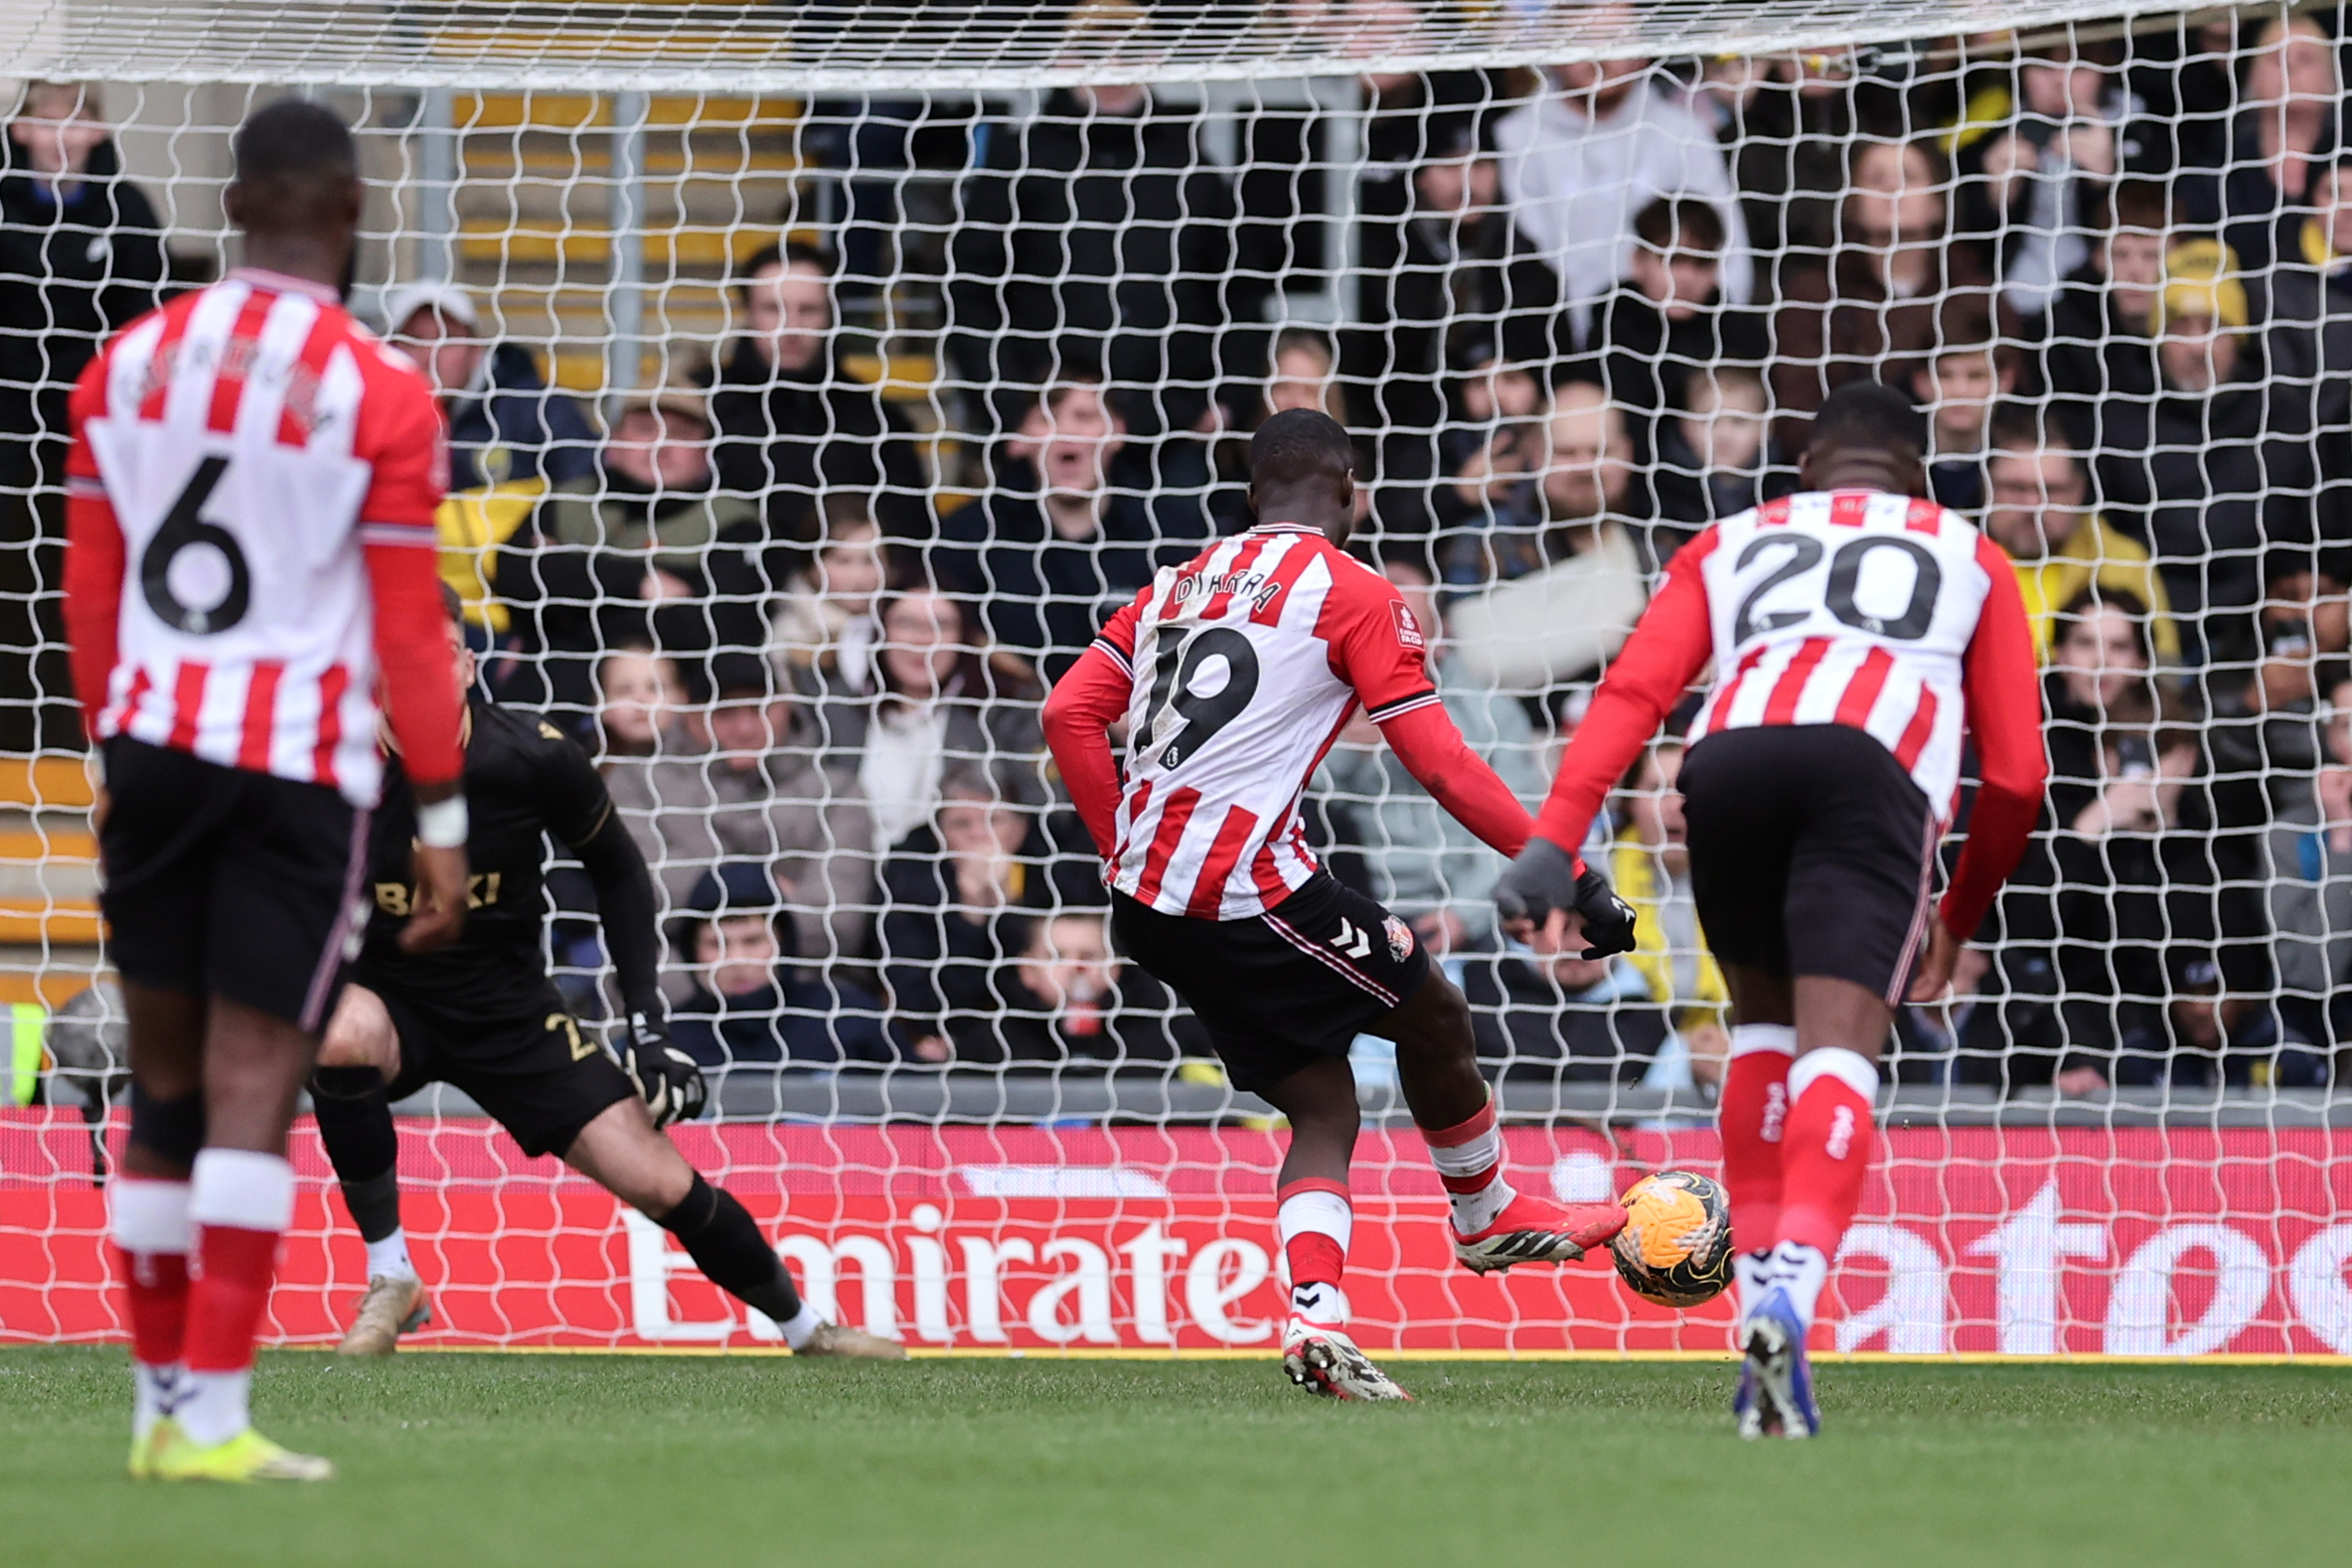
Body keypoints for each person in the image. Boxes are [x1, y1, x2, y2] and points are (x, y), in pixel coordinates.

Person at [1041, 408, 1638, 1402]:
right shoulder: (1354, 592)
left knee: (1322, 1102)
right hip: (1245, 889)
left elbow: (1068, 713)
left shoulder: (1174, 587)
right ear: (1353, 489)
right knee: (1434, 1009)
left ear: (1247, 495)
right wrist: (1568, 874)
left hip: (1148, 899)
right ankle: (1485, 1212)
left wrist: (1120, 846)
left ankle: (1315, 1319)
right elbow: (1443, 766)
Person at [1492, 382, 2046, 1437]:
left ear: (1805, 476)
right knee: (1839, 1049)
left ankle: (1750, 1310)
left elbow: (1633, 696)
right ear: (1915, 478)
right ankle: (1790, 1293)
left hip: (1729, 762)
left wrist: (1554, 843)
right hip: (1866, 770)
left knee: (1760, 1032)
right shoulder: (1968, 552)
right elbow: (2017, 776)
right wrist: (1958, 915)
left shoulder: (1736, 537)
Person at [62, 99, 470, 1482]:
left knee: (161, 1094)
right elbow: (411, 631)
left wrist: (116, 762)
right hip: (296, 765)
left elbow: (90, 600)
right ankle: (216, 1423)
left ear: (230, 208)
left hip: (157, 752)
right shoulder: (381, 388)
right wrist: (447, 822)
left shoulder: (123, 366)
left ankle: (156, 1411)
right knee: (250, 1090)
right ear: (353, 212)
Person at [305, 611, 902, 1362]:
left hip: (509, 1008)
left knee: (659, 1182)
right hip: (388, 997)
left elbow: (618, 872)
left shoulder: (532, 755)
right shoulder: (327, 766)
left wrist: (648, 1031)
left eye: (442, 655)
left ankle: (807, 1329)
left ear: (466, 668)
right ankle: (391, 1273)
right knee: (339, 1032)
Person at [2, 80, 168, 752]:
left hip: (92, 426)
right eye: (46, 121)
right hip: (10, 422)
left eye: (76, 121)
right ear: (20, 132)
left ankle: (89, 733)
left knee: (86, 576)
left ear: (98, 133)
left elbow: (146, 323)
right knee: (16, 574)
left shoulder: (126, 209)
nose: (61, 135)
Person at [497, 387, 768, 721]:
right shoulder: (568, 501)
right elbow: (515, 576)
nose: (661, 445)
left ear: (706, 451)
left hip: (673, 718)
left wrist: (568, 600)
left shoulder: (733, 521)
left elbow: (715, 630)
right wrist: (637, 581)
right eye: (645, 429)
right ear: (613, 439)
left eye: (681, 434)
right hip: (549, 702)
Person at [706, 241, 923, 553]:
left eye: (808, 310)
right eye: (773, 309)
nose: (791, 327)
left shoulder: (878, 421)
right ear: (748, 313)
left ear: (831, 314)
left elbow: (908, 539)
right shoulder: (701, 408)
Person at [1491, 56, 1754, 313]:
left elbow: (1729, 252)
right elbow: (1530, 264)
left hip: (1691, 340)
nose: (1600, 58)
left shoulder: (1685, 132)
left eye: (1612, 41)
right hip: (1563, 345)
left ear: (1641, 53)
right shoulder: (1516, 138)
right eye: (1584, 40)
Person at [1980, 407, 2179, 664]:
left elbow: (2163, 679)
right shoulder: (1948, 552)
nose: (2033, 505)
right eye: (2016, 488)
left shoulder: (2122, 561)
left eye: (2051, 490)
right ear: (1987, 485)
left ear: (2079, 490)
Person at [665, 862, 895, 1068]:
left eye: (752, 941)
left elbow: (912, 1102)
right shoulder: (667, 1042)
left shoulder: (848, 1017)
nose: (736, 959)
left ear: (784, 942)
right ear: (691, 951)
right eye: (717, 944)